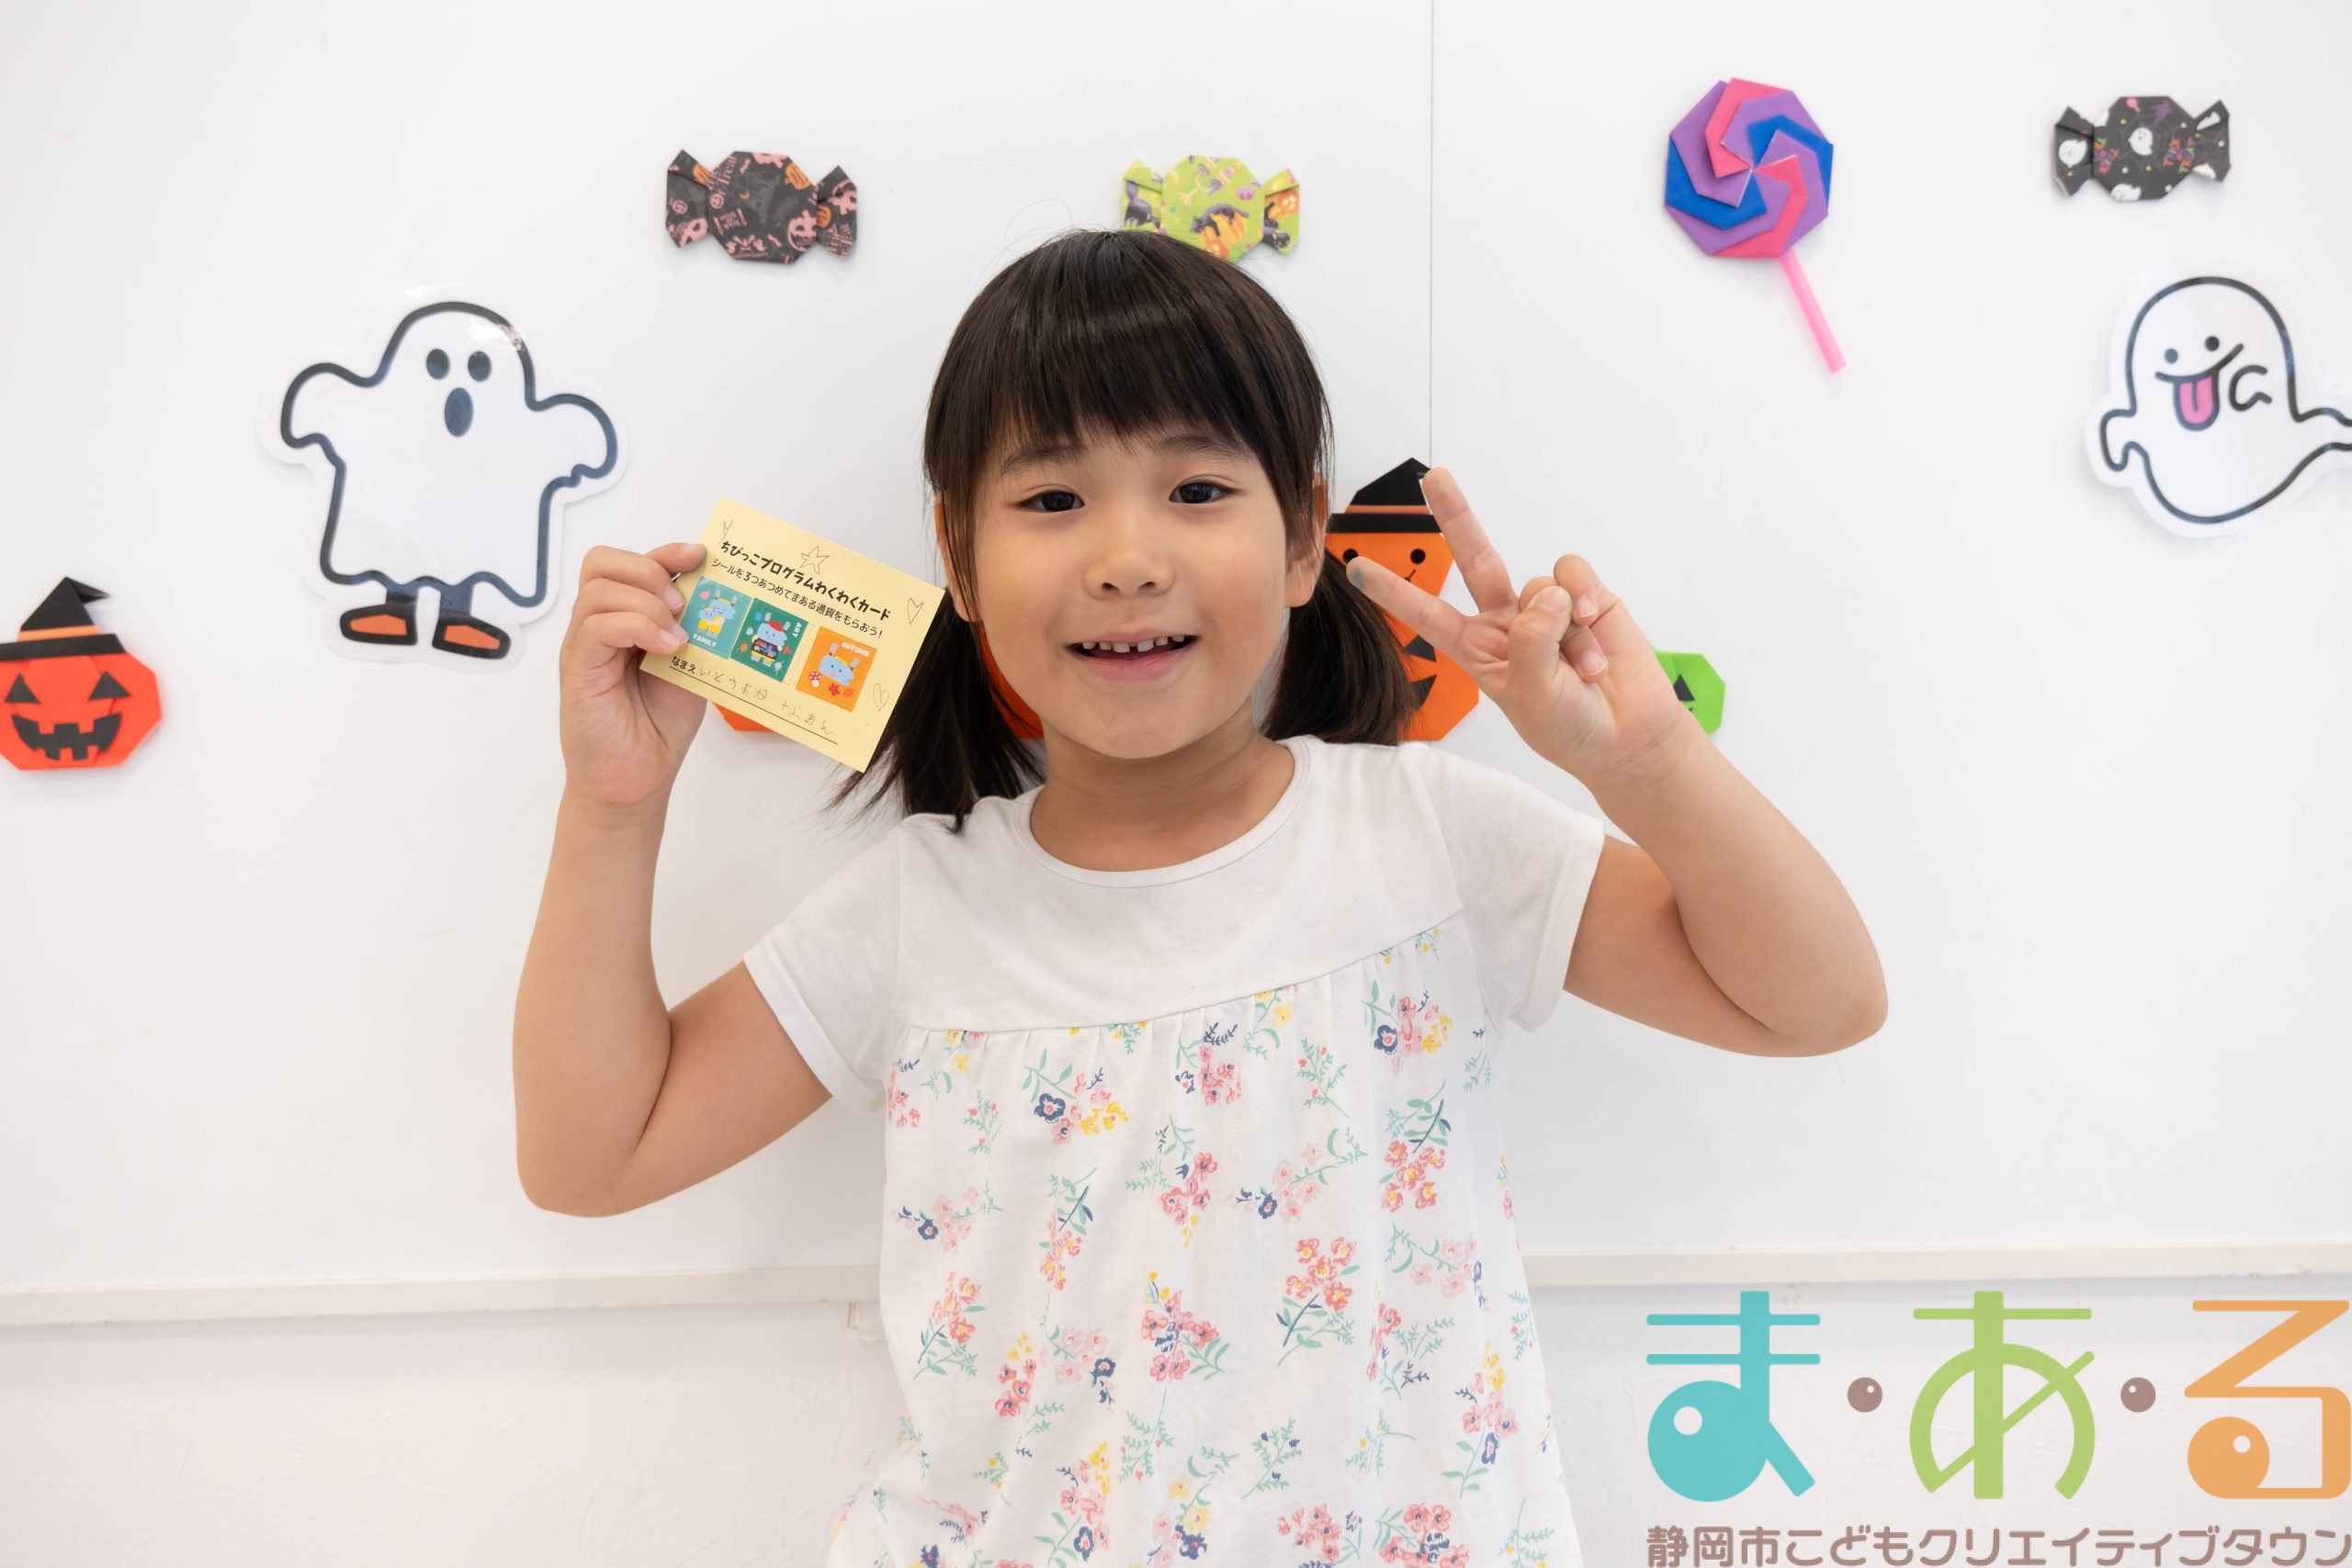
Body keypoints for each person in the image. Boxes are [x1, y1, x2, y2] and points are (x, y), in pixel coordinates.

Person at [513, 228, 1884, 1567]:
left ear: (1302, 539)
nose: (1126, 556)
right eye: (1052, 500)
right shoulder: (918, 911)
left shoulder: (1429, 837)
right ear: (960, 559)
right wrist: (613, 808)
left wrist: (1644, 762)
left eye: (1197, 488)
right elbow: (590, 1157)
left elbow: (1817, 1003)